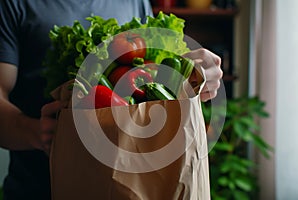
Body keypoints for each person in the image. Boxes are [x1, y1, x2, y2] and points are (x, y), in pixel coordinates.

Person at [0, 0, 222, 199]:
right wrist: (37, 132)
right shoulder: (12, 4)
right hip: (37, 187)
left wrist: (193, 75)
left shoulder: (135, 2)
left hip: (132, 187)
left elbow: (153, 81)